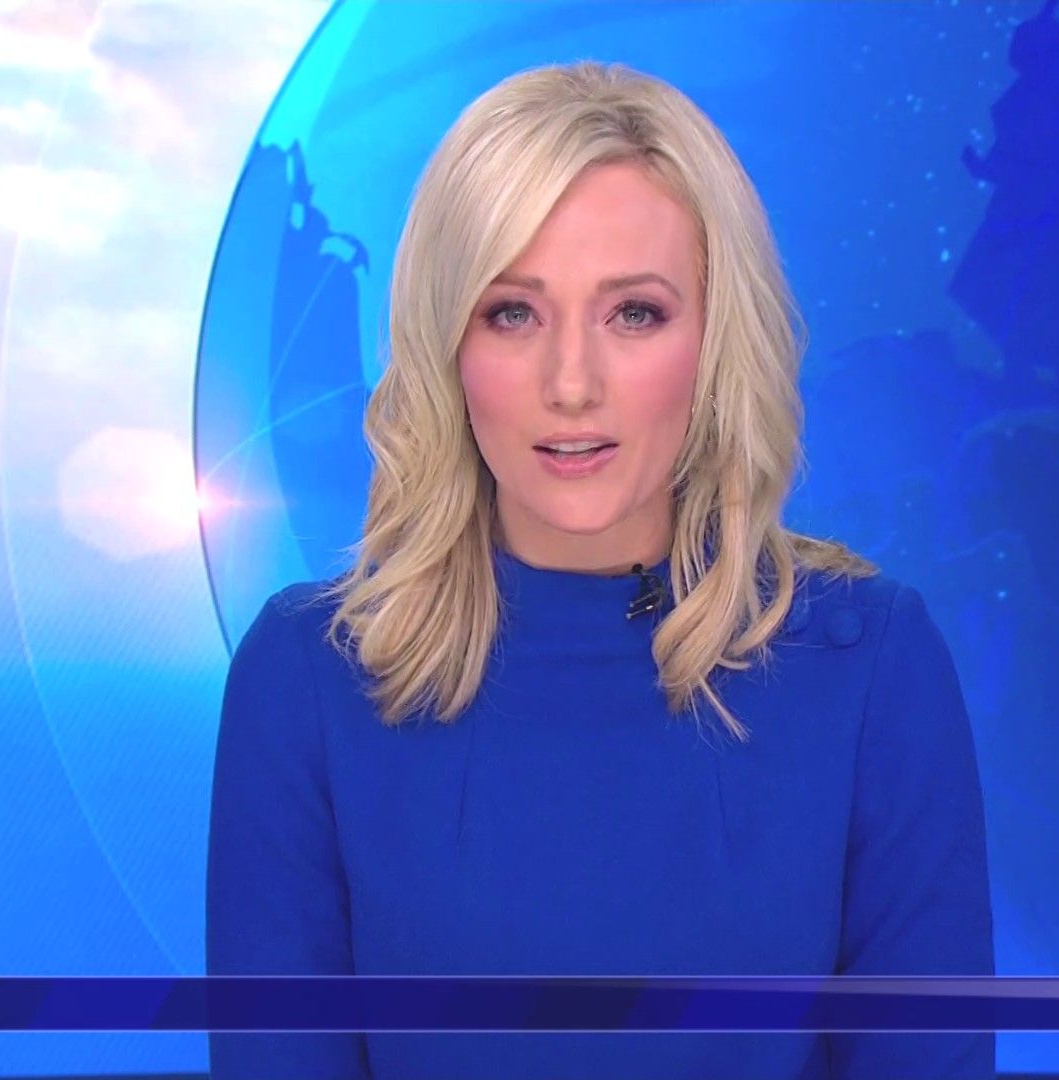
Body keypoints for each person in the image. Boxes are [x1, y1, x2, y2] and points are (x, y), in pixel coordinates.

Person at [207, 59, 995, 1079]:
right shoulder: (307, 679)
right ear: (447, 346)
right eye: (513, 313)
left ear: (715, 339)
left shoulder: (872, 667)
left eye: (634, 314)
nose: (571, 384)